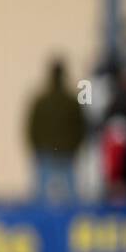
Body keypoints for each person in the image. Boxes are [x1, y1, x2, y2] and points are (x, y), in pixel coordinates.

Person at [26, 58, 85, 202]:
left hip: (46, 153)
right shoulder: (71, 101)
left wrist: (37, 148)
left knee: (41, 198)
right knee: (71, 198)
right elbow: (81, 128)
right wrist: (74, 147)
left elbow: (32, 128)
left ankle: (39, 224)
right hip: (66, 153)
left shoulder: (41, 101)